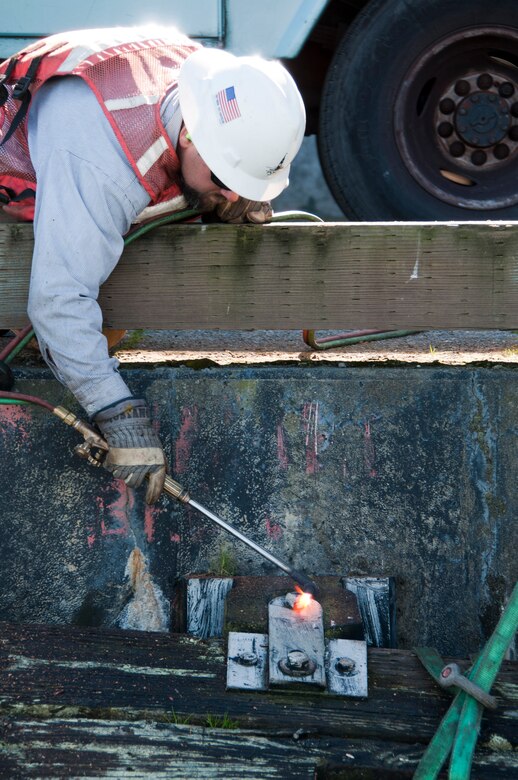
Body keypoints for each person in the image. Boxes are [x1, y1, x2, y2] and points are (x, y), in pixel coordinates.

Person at [0, 26, 306, 503]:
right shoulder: (104, 165)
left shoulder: (204, 87)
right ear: (188, 135)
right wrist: (118, 412)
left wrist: (217, 196)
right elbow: (57, 301)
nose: (232, 197)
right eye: (225, 179)